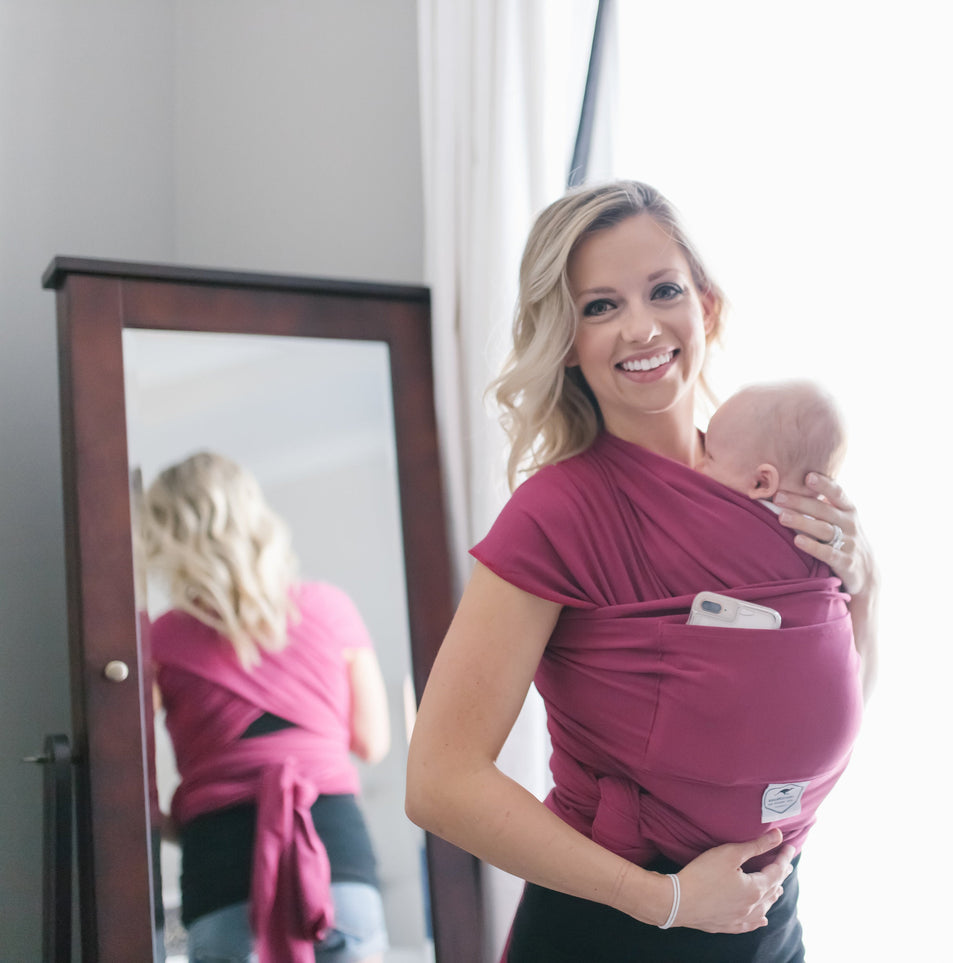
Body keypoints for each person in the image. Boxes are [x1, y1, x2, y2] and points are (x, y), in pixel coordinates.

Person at [405, 180, 880, 963]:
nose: (640, 326)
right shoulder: (557, 512)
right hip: (615, 928)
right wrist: (664, 901)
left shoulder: (781, 483)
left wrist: (869, 583)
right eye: (599, 306)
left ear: (708, 308)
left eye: (663, 290)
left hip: (765, 918)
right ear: (564, 338)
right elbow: (440, 779)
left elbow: (834, 700)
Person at [142, 451, 391, 963]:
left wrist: (180, 826)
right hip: (334, 850)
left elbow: (131, 782)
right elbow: (373, 742)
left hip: (220, 860)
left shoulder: (157, 639)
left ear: (165, 537)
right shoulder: (329, 607)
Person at [699, 380, 847, 511]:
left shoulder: (737, 523)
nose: (698, 463)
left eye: (710, 457)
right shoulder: (817, 530)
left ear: (761, 483)